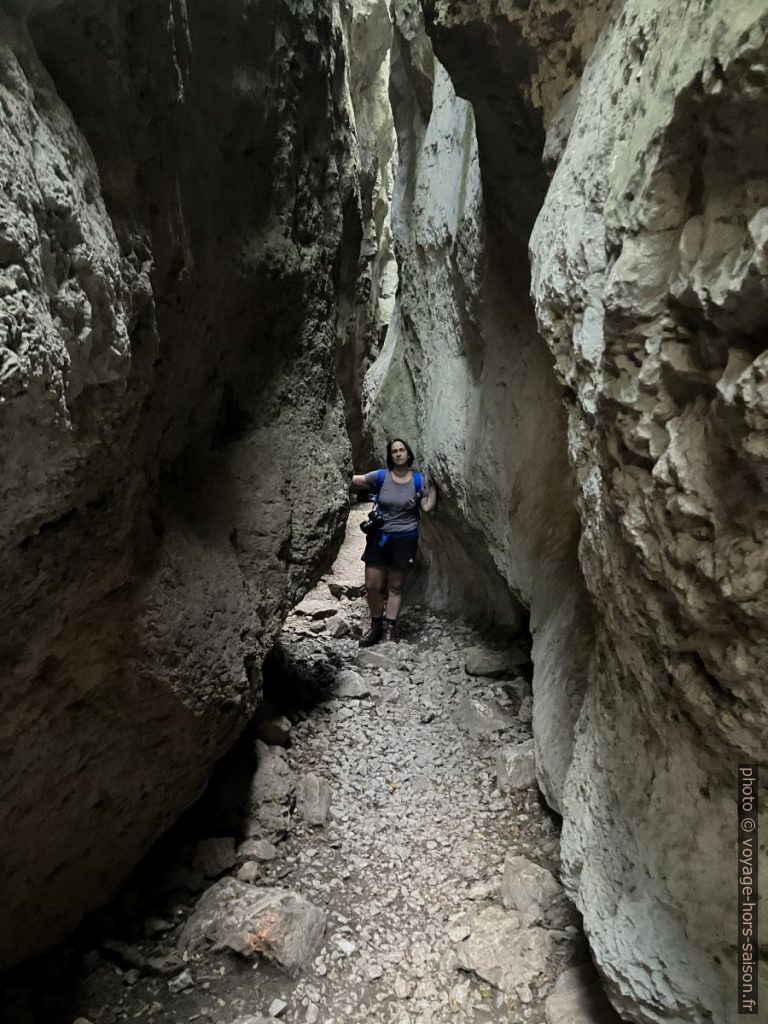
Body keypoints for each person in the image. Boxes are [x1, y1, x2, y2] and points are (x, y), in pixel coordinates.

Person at [351, 438, 436, 646]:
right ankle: (376, 626)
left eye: (402, 450)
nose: (398, 454)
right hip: (379, 537)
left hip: (405, 538)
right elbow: (357, 481)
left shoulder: (418, 480)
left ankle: (390, 629)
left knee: (395, 586)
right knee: (372, 585)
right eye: (394, 451)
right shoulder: (381, 476)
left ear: (408, 454)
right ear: (390, 456)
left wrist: (434, 487)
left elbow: (426, 506)